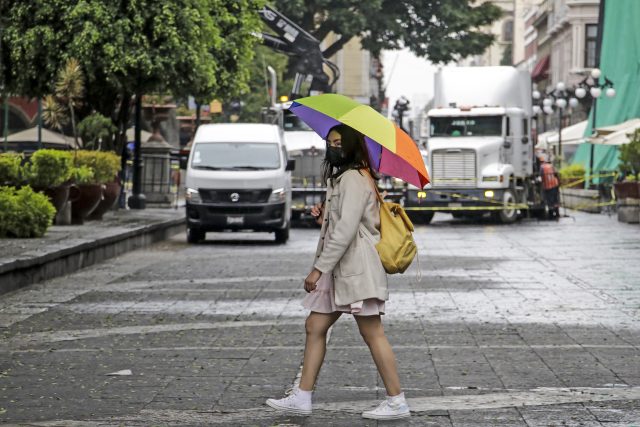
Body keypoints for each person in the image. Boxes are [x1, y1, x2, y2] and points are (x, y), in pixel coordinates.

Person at [266, 124, 410, 420]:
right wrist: (324, 212)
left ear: (353, 146)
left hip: (357, 267)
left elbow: (345, 231)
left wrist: (317, 270)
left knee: (372, 332)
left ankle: (397, 401)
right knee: (315, 326)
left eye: (339, 143)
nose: (333, 148)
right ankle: (302, 397)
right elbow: (344, 221)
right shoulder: (344, 178)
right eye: (330, 142)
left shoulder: (354, 178)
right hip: (343, 269)